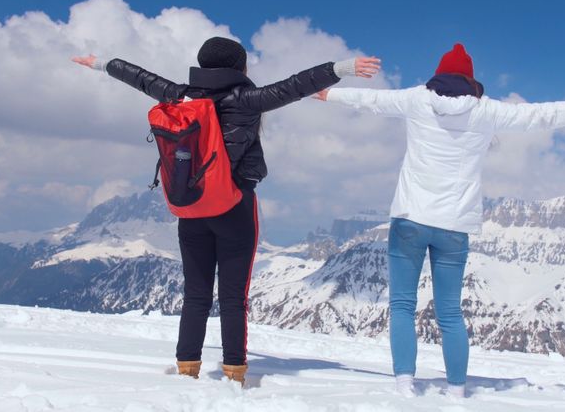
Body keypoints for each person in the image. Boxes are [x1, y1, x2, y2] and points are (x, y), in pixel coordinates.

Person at [314, 43, 565, 398]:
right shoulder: (486, 112)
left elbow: (371, 101)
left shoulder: (417, 100)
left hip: (410, 219)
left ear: (438, 75)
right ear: (470, 79)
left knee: (402, 304)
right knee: (450, 312)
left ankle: (405, 383)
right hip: (454, 226)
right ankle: (455, 390)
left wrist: (329, 96)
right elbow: (541, 114)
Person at [73, 37, 381, 386]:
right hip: (234, 206)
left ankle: (187, 367)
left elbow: (140, 78)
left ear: (202, 65)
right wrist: (341, 68)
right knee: (234, 297)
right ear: (239, 67)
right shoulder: (247, 100)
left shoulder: (179, 95)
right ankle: (234, 373)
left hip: (190, 206)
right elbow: (296, 85)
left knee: (196, 294)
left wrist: (101, 63)